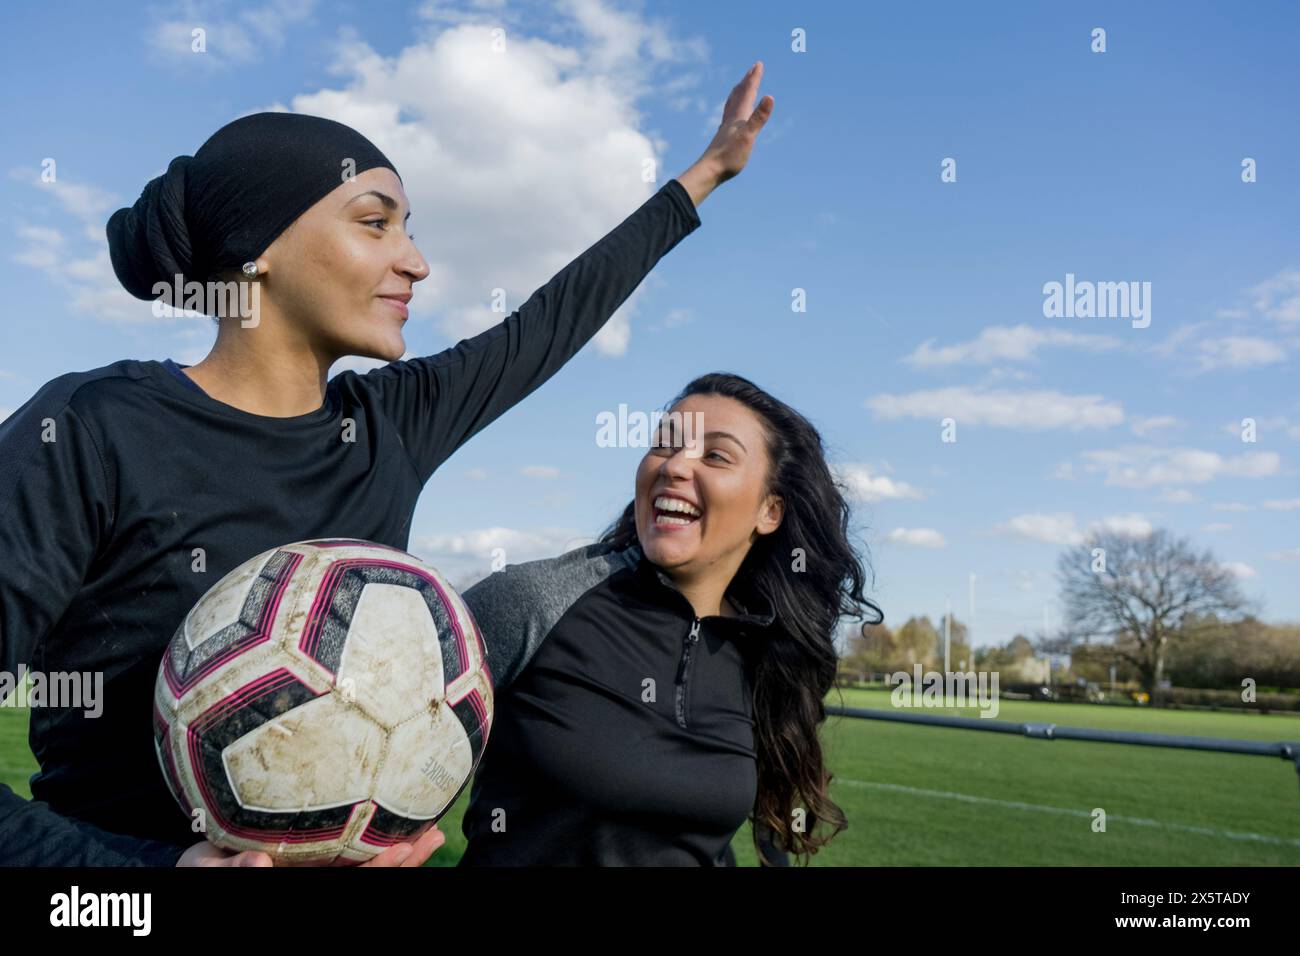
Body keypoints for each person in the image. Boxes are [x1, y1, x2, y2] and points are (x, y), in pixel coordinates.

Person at [0, 63, 774, 867]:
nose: (416, 262)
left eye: (409, 229)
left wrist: (705, 174)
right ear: (255, 249)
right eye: (376, 224)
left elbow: (552, 319)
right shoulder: (90, 431)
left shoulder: (387, 426)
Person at [457, 372, 883, 865]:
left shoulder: (763, 649)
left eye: (716, 456)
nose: (675, 466)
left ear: (769, 511)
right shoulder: (534, 601)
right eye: (664, 445)